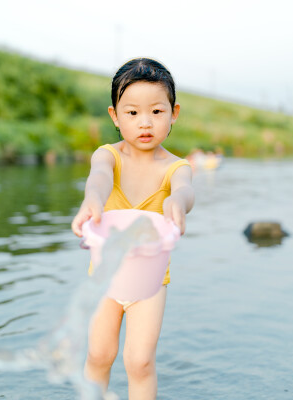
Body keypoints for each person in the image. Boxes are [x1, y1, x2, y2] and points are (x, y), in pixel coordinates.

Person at [72, 58, 194, 399]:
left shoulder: (175, 167)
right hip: (105, 277)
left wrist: (177, 203)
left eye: (157, 112)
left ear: (174, 113)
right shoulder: (108, 155)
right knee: (98, 355)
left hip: (150, 282)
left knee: (139, 362)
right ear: (115, 116)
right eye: (132, 113)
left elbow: (185, 190)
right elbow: (98, 178)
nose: (145, 123)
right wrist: (91, 200)